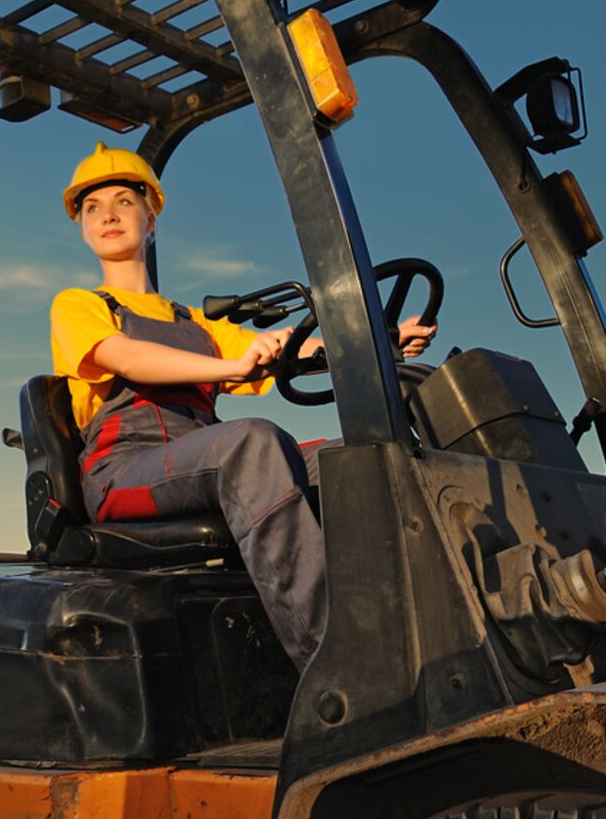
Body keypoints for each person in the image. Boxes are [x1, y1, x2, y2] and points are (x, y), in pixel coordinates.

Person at [50, 142, 435, 669]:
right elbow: (129, 358)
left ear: (151, 216)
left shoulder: (192, 320)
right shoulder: (80, 305)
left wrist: (383, 341)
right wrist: (230, 368)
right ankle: (343, 665)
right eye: (93, 207)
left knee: (362, 455)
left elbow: (283, 347)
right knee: (253, 443)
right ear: (82, 228)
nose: (109, 214)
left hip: (198, 458)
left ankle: (429, 635)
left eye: (123, 200)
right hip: (124, 471)